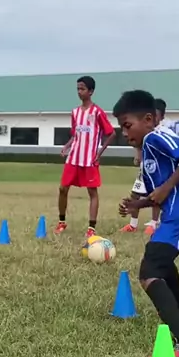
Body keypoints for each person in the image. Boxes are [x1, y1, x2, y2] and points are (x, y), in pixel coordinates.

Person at [113, 89, 179, 357]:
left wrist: (166, 187)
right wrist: (138, 204)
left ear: (148, 119)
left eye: (127, 125)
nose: (125, 133)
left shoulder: (157, 137)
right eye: (121, 128)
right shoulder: (148, 151)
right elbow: (156, 193)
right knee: (160, 260)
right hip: (175, 214)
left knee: (149, 272)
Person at [55, 75, 115, 237]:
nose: (79, 92)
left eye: (82, 89)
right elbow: (75, 134)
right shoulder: (75, 112)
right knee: (62, 188)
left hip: (89, 159)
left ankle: (91, 228)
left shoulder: (97, 112)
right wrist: (66, 146)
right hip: (74, 157)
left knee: (92, 192)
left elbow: (111, 134)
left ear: (91, 91)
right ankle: (61, 222)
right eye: (78, 89)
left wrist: (99, 153)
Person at [120, 98, 168, 235]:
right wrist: (138, 154)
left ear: (162, 117)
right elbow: (138, 143)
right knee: (135, 195)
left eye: (156, 115)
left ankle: (153, 223)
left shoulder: (163, 132)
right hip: (144, 169)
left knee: (155, 197)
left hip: (158, 170)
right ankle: (132, 224)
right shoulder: (146, 129)